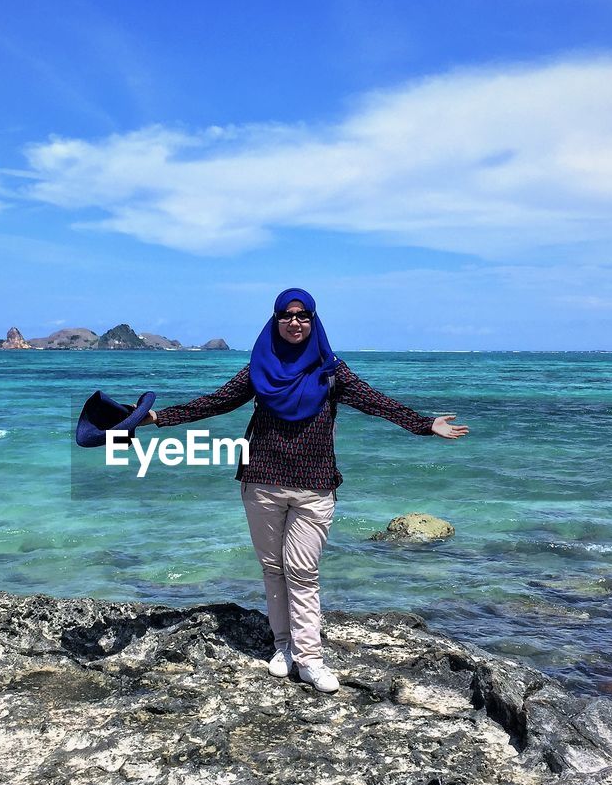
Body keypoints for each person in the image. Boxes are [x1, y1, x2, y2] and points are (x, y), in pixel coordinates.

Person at [137, 289, 467, 693]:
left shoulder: (331, 372)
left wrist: (423, 423)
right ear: (275, 321)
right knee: (274, 569)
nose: (295, 322)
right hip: (261, 482)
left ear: (313, 321)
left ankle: (310, 658)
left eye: (303, 316)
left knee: (303, 571)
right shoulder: (259, 370)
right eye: (286, 316)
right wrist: (154, 418)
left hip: (315, 487)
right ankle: (282, 647)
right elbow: (215, 403)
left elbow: (375, 402)